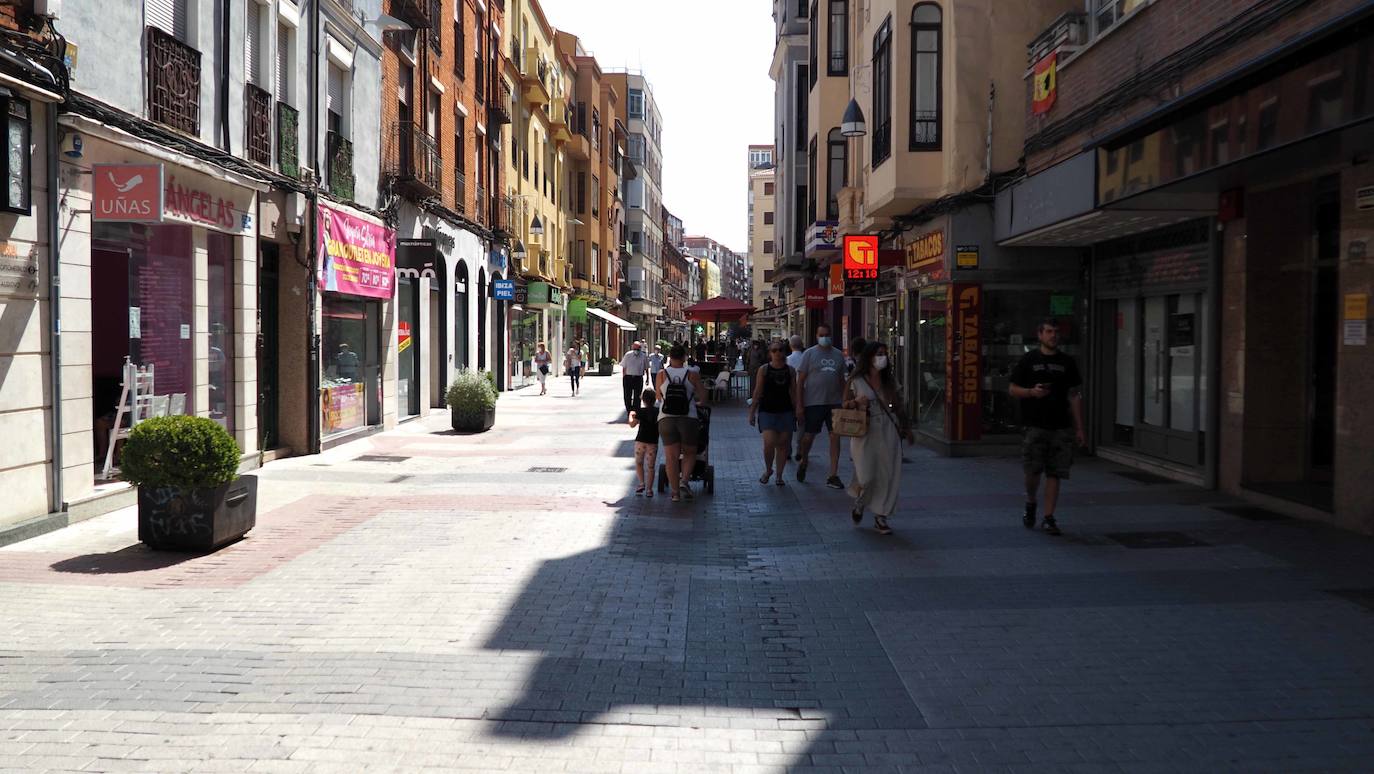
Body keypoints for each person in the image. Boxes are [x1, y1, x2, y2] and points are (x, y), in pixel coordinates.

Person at [1009, 319, 1085, 536]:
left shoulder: (1067, 362)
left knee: (1055, 472)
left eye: (1056, 332)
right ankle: (1031, 500)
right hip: (1034, 425)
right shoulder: (1028, 360)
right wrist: (1032, 392)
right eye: (1049, 332)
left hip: (1061, 426)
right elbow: (1013, 389)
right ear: (1040, 334)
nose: (1054, 336)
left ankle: (1049, 517)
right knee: (1032, 471)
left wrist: (1079, 427)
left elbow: (1074, 395)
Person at [843, 342, 914, 535]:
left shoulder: (889, 380)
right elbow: (844, 404)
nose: (882, 357)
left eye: (884, 354)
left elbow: (899, 405)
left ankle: (881, 516)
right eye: (878, 354)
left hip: (888, 429)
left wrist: (906, 428)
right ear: (869, 357)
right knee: (866, 474)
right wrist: (856, 402)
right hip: (864, 430)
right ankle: (860, 502)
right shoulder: (856, 380)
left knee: (887, 474)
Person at [795, 325, 847, 489]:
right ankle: (804, 459)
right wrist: (799, 404)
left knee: (835, 436)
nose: (824, 337)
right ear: (817, 336)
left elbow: (843, 381)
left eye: (827, 334)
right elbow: (800, 381)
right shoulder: (809, 354)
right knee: (809, 437)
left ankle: (833, 474)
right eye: (821, 335)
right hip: (813, 402)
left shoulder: (838, 355)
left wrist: (845, 401)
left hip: (834, 402)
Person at [655, 344, 706, 502]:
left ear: (670, 357)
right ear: (684, 357)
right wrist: (697, 403)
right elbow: (703, 397)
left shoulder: (662, 374)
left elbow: (658, 396)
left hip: (666, 418)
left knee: (671, 457)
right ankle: (684, 481)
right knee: (690, 452)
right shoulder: (692, 374)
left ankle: (675, 493)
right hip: (688, 418)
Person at [748, 339, 802, 486]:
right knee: (769, 443)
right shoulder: (764, 370)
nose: (778, 353)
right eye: (774, 350)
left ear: (785, 352)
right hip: (767, 410)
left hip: (785, 410)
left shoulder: (790, 370)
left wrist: (798, 409)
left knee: (783, 445)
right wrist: (752, 412)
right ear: (769, 354)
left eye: (780, 350)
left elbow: (794, 391)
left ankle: (779, 475)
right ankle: (768, 469)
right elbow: (758, 391)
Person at [628, 388, 659, 498]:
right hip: (653, 442)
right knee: (651, 467)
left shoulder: (640, 411)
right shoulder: (658, 412)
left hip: (640, 441)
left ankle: (641, 483)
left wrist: (631, 415)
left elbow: (632, 425)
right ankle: (649, 490)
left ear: (643, 400)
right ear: (654, 399)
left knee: (639, 463)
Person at [620, 341, 649, 413]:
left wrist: (648, 378)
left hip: (638, 378)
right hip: (628, 377)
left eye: (638, 349)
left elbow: (646, 368)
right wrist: (624, 377)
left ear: (640, 348)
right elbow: (624, 367)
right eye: (635, 348)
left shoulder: (643, 356)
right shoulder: (628, 355)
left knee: (637, 396)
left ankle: (636, 411)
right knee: (627, 395)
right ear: (632, 347)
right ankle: (629, 410)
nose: (636, 350)